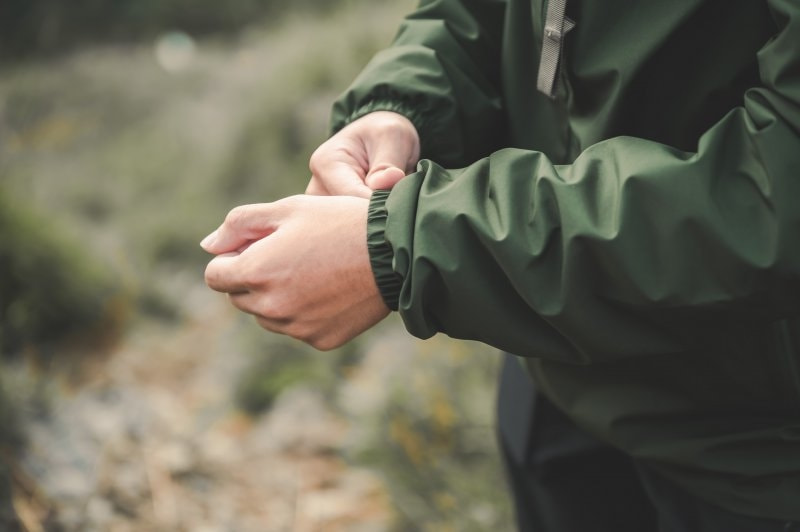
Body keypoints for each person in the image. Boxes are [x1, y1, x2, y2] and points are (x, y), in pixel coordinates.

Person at [202, 0, 800, 529]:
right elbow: (478, 14)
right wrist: (402, 109)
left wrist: (412, 241)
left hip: (753, 455)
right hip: (554, 373)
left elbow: (776, 195)